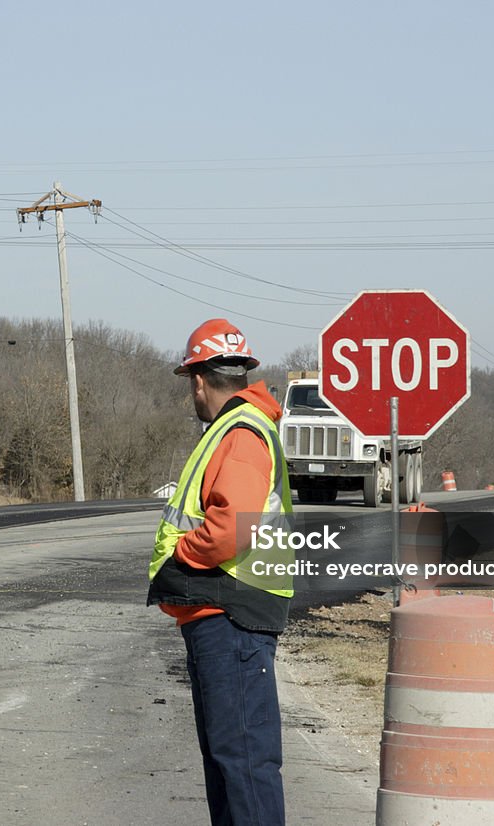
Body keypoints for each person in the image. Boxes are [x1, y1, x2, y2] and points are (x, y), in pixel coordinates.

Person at [148, 318, 294, 826]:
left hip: (230, 615)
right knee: (230, 764)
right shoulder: (240, 430)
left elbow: (231, 528)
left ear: (198, 379)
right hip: (223, 614)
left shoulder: (241, 432)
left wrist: (182, 555)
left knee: (244, 766)